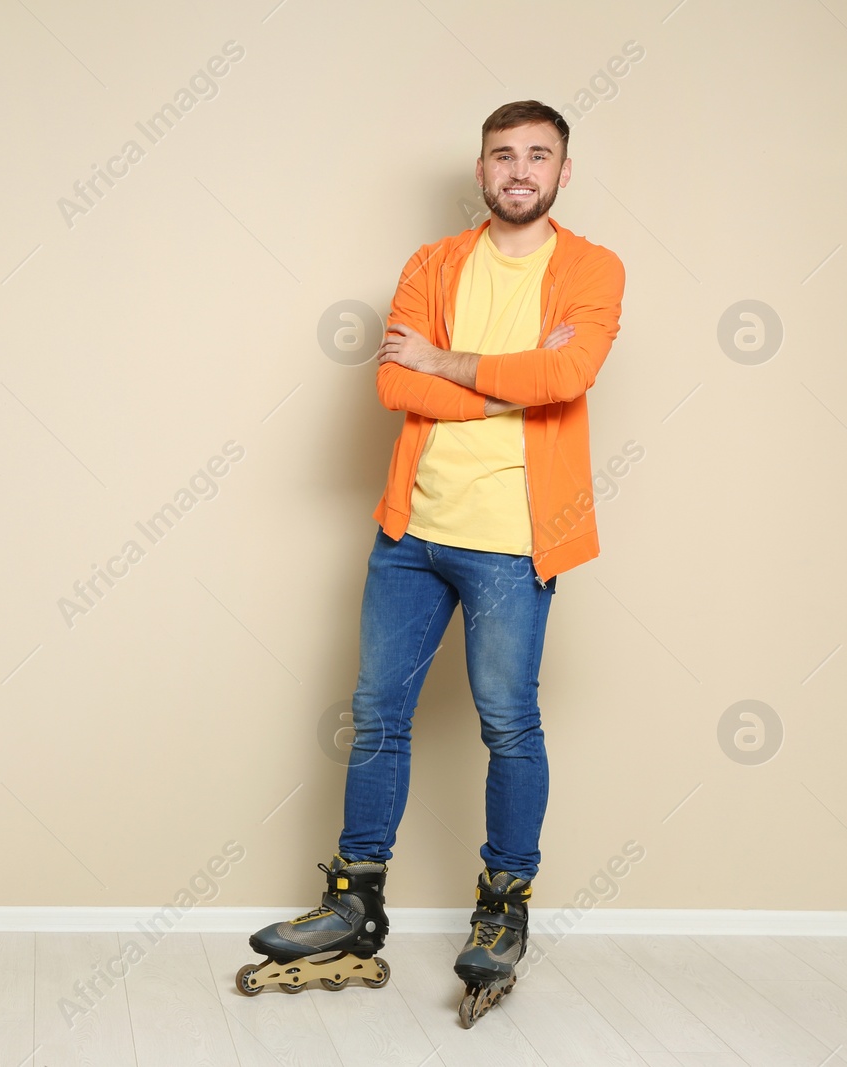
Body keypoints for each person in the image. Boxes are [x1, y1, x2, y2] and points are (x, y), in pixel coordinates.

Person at [237, 100, 625, 1027]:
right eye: (504, 155)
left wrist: (447, 364)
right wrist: (504, 383)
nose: (519, 169)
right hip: (411, 532)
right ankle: (353, 896)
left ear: (563, 173)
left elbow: (564, 380)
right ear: (482, 169)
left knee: (507, 722)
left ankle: (504, 908)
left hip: (517, 540)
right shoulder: (433, 264)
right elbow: (391, 383)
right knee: (375, 717)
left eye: (539, 155)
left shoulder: (592, 269)